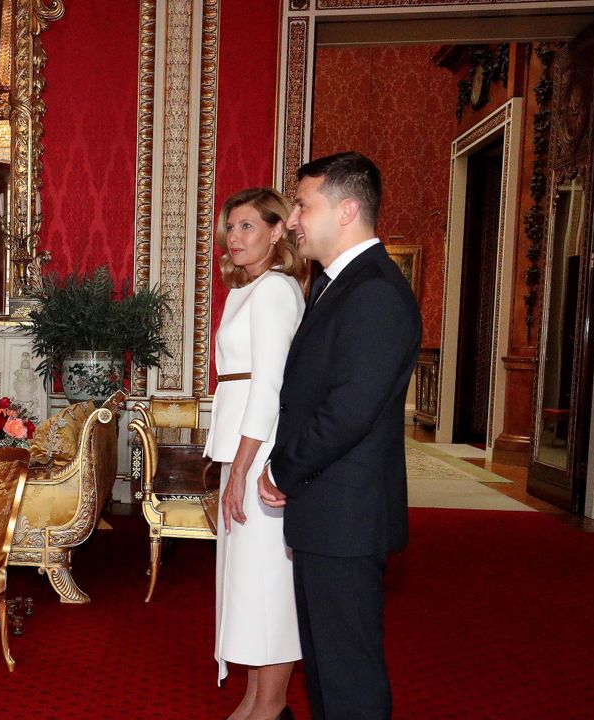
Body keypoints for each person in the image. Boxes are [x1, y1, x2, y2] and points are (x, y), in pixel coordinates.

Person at [258, 152, 421, 720]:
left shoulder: (373, 291)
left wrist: (282, 468)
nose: (294, 219)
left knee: (348, 675)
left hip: (346, 517)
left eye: (304, 205)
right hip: (328, 511)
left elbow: (348, 409)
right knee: (326, 671)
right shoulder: (340, 283)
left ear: (347, 210)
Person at [203, 187, 308, 720]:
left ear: (276, 231)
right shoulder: (249, 289)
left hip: (260, 449)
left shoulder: (276, 289)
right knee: (248, 579)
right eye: (232, 228)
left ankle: (271, 707)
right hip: (241, 445)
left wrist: (245, 466)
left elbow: (270, 386)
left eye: (248, 226)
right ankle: (253, 700)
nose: (236, 237)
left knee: (268, 582)